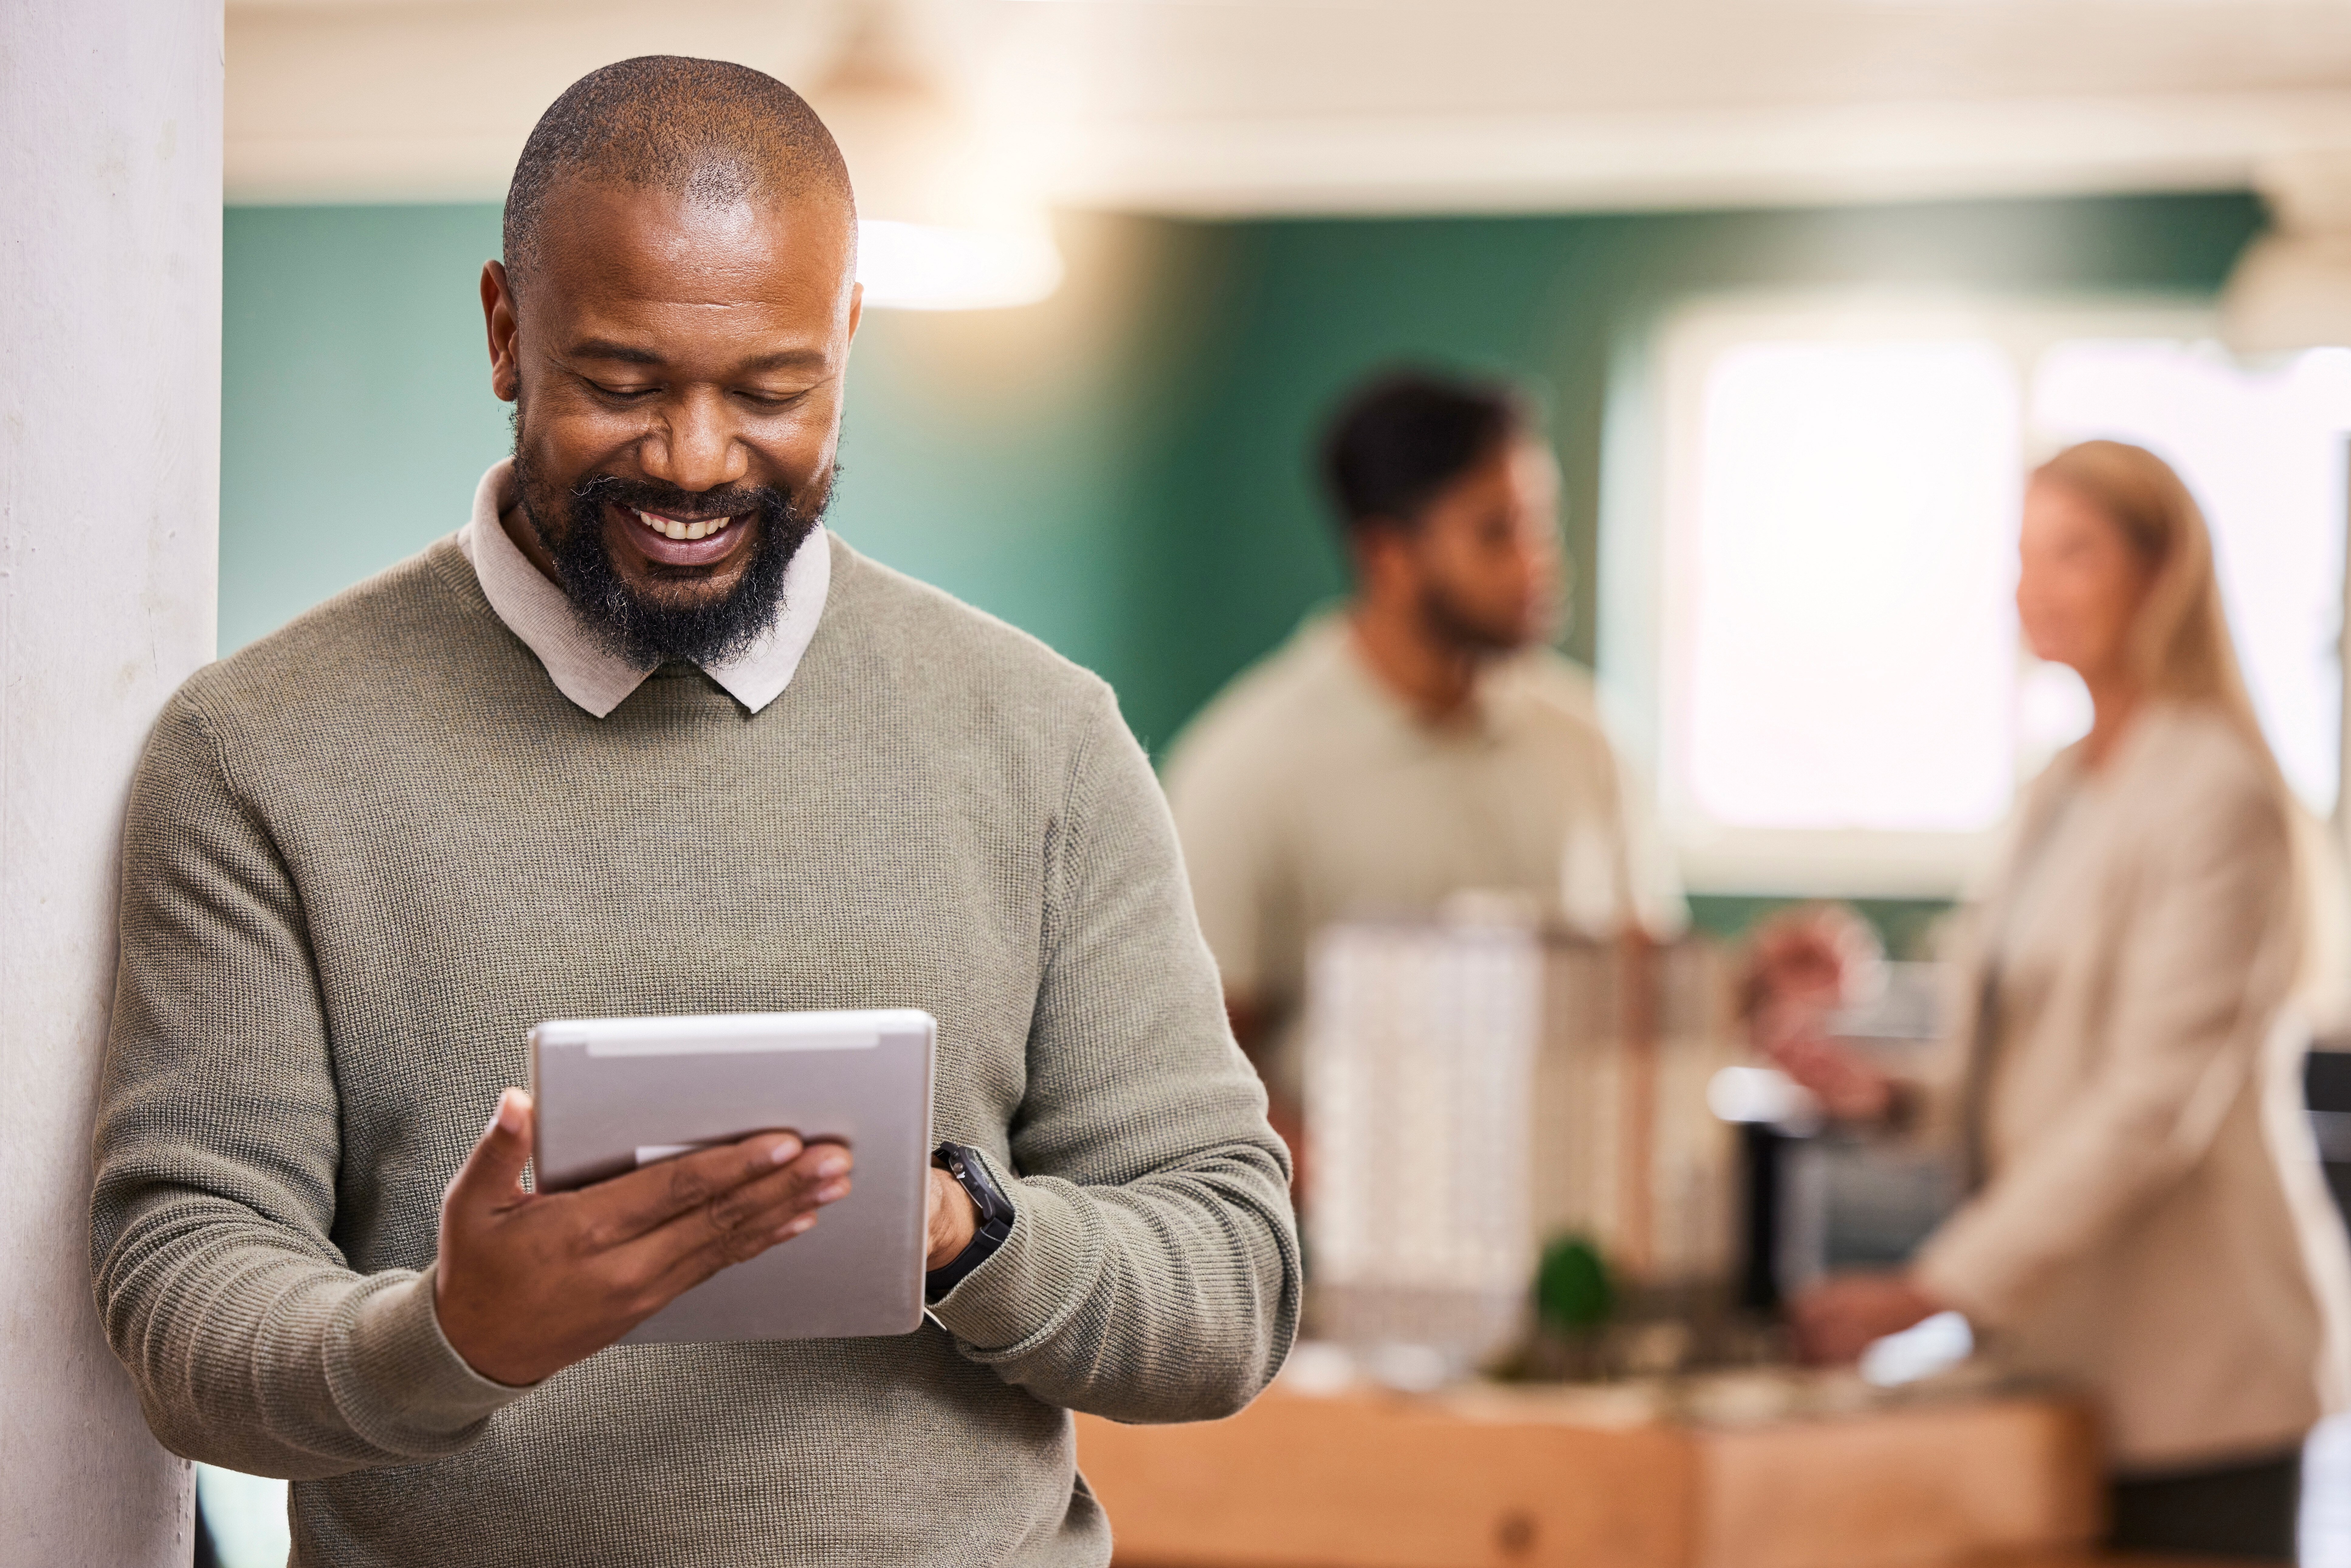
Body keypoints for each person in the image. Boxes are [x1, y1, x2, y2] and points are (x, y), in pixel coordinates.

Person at [87, 57, 1298, 1567]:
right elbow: (181, 1299)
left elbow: (1231, 1281)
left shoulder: (1041, 742)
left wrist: (953, 1228)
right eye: (624, 384)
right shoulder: (260, 751)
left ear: (846, 339)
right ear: (505, 330)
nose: (696, 459)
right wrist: (454, 1332)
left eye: (771, 391)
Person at [1750, 440, 2351, 1560]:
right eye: (2025, 555)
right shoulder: (2055, 790)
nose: (2034, 588)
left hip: (2196, 1364)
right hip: (2061, 1351)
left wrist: (1935, 1288)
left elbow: (2147, 1102)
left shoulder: (2215, 790)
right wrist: (1891, 1098)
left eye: (2071, 554)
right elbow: (2027, 1060)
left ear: (2159, 569)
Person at [1163, 370, 1682, 1140]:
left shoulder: (1589, 743)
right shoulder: (1245, 767)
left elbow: (1645, 993)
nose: (1540, 563)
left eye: (1542, 525)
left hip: (1574, 1227)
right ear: (1388, 553)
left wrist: (1754, 991)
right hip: (1339, 1245)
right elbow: (1195, 1074)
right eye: (1497, 532)